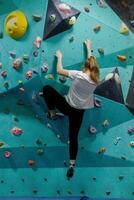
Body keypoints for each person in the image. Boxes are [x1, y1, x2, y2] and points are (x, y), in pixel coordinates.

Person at [42, 39, 100, 178]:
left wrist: (59, 57)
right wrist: (88, 46)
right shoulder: (96, 80)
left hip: (67, 106)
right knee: (73, 137)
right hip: (79, 112)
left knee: (47, 89)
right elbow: (90, 63)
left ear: (84, 68)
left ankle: (52, 113)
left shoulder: (78, 75)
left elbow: (59, 70)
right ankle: (72, 164)